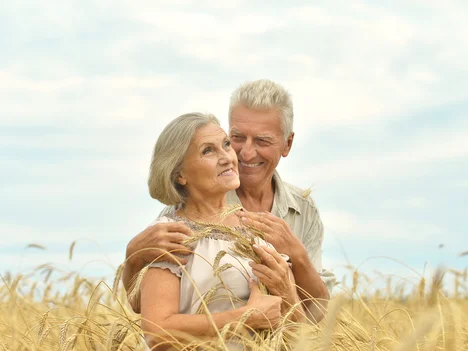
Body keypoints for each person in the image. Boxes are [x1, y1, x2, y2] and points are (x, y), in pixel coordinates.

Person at [123, 80, 334, 321]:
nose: (245, 153)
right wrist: (134, 257)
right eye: (237, 137)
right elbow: (147, 311)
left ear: (287, 144)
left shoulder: (304, 209)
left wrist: (297, 256)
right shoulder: (193, 208)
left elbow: (318, 314)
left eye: (262, 141)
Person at [139, 112, 304, 351]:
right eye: (208, 151)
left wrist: (288, 293)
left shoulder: (256, 231)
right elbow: (157, 333)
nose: (227, 157)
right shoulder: (170, 235)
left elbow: (297, 337)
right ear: (180, 174)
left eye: (226, 145)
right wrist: (244, 319)